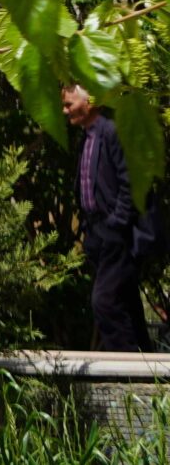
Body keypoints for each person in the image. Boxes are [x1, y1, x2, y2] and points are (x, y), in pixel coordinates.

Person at [64, 82, 152, 351]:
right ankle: (149, 371)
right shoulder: (87, 137)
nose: (65, 110)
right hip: (98, 234)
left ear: (89, 102)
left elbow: (130, 182)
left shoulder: (112, 132)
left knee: (104, 301)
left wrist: (117, 222)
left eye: (69, 104)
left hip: (116, 233)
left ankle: (125, 371)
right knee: (125, 300)